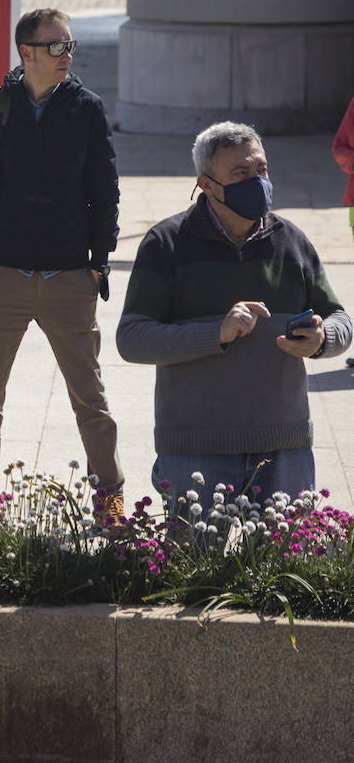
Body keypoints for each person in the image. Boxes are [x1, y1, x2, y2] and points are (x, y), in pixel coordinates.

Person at [117, 121, 351, 503]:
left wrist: (323, 339)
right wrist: (216, 333)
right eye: (240, 174)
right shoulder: (166, 243)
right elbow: (132, 338)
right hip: (195, 448)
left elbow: (339, 318)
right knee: (192, 563)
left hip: (283, 445)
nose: (257, 181)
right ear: (207, 184)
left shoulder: (291, 242)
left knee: (284, 564)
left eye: (261, 170)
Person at [0, 8, 123, 515]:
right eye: (55, 46)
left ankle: (110, 500)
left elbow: (104, 189)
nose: (66, 54)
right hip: (1, 276)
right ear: (26, 52)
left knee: (91, 401)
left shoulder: (86, 108)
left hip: (71, 277)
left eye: (69, 45)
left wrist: (98, 263)